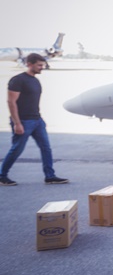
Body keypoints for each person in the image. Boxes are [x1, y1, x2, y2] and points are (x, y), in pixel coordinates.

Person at [0, 53, 68, 186]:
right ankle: (2, 176)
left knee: (46, 148)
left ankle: (50, 176)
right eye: (39, 65)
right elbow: (11, 102)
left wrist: (40, 119)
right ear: (29, 64)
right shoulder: (18, 80)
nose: (42, 67)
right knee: (17, 149)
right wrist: (17, 123)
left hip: (37, 121)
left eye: (43, 65)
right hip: (23, 122)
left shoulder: (35, 80)